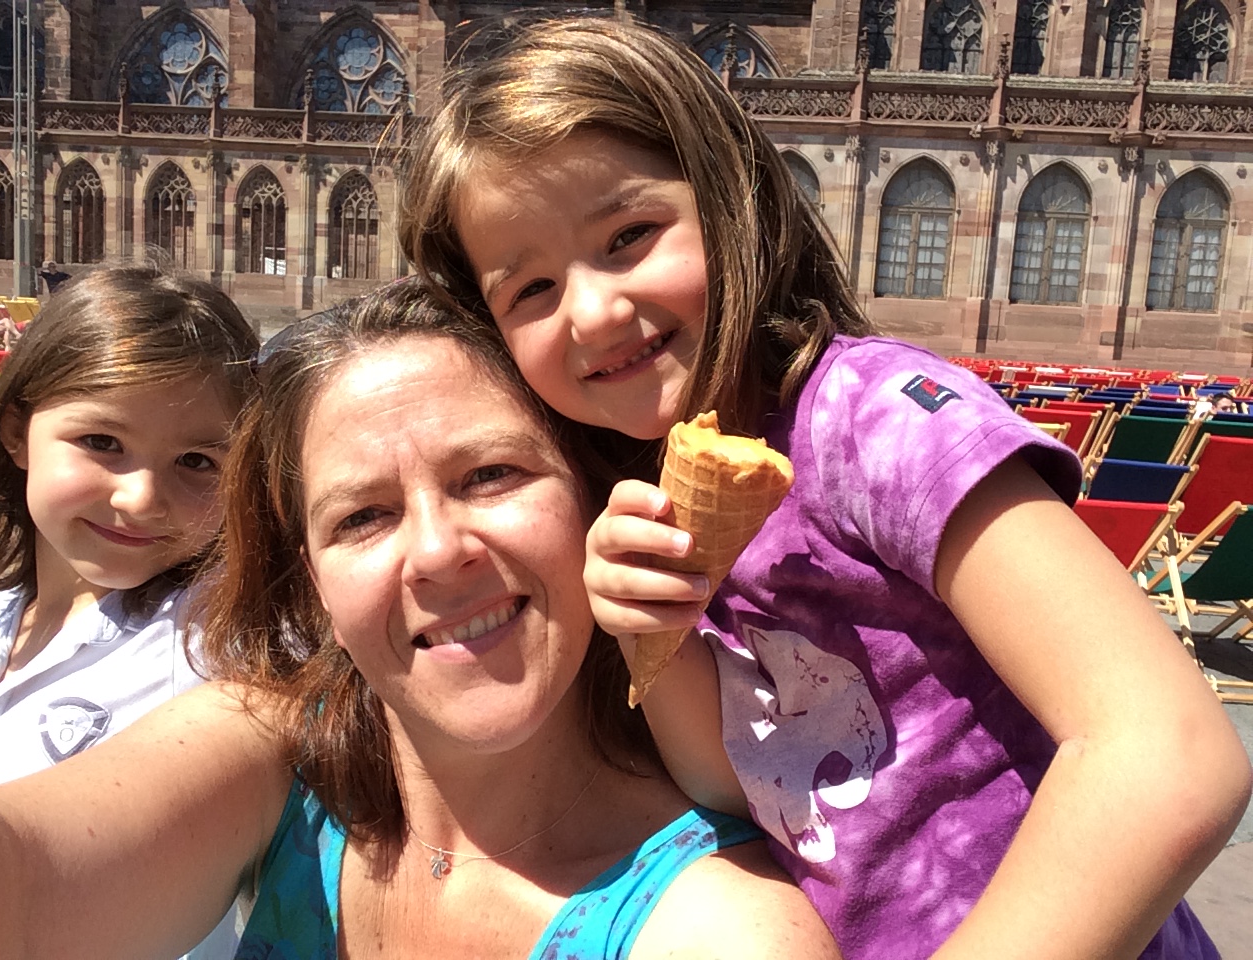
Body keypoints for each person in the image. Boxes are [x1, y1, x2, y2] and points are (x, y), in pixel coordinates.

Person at [400, 17, 1252, 960]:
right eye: (530, 290)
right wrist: (653, 639)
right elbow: (742, 786)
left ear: (734, 200)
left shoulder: (875, 420)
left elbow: (1167, 751)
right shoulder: (650, 478)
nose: (594, 312)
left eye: (629, 235)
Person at [0, 280, 839, 960]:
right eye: (362, 517)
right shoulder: (283, 758)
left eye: (491, 475)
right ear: (312, 577)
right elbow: (16, 876)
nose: (435, 552)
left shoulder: (724, 927)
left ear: (594, 496)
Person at [0, 263, 259, 959]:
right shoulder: (6, 610)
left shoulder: (209, 629)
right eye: (103, 442)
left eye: (197, 461)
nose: (141, 498)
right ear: (17, 432)